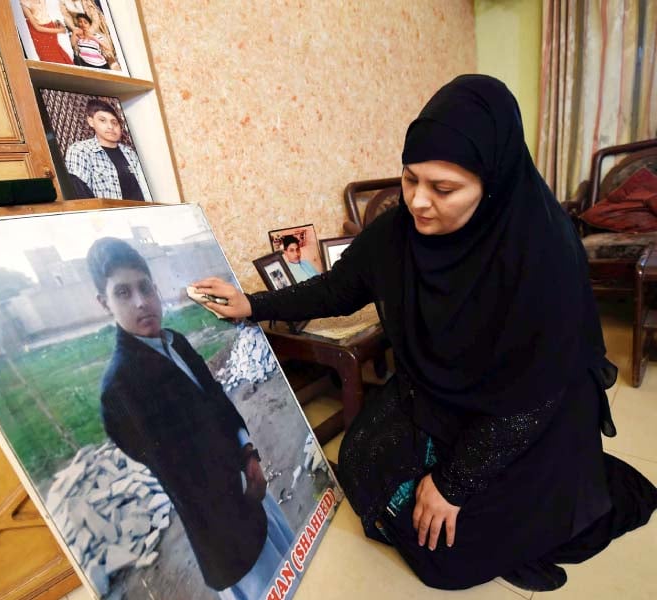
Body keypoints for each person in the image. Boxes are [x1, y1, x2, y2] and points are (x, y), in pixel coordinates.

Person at [192, 75, 657, 591]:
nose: (417, 202)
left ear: (494, 181)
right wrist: (253, 304)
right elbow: (336, 290)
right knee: (362, 461)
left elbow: (534, 396)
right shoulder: (398, 232)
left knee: (451, 556)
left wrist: (454, 485)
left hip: (528, 411)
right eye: (410, 179)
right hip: (443, 393)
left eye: (444, 189)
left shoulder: (542, 251)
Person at [86, 238, 294, 598]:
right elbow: (178, 471)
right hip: (220, 521)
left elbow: (216, 400)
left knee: (294, 564)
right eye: (123, 293)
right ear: (105, 304)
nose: (140, 302)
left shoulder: (176, 341)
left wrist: (248, 454)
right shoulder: (119, 387)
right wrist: (240, 490)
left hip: (249, 484)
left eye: (145, 287)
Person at [64, 99, 149, 201]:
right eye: (102, 120)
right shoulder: (81, 150)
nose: (110, 127)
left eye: (114, 122)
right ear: (91, 121)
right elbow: (81, 195)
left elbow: (145, 191)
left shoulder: (130, 153)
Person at [20, 0, 73, 65]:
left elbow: (47, 13)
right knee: (49, 58)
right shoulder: (24, 4)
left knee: (58, 53)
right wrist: (59, 31)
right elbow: (37, 27)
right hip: (39, 34)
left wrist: (56, 22)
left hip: (50, 27)